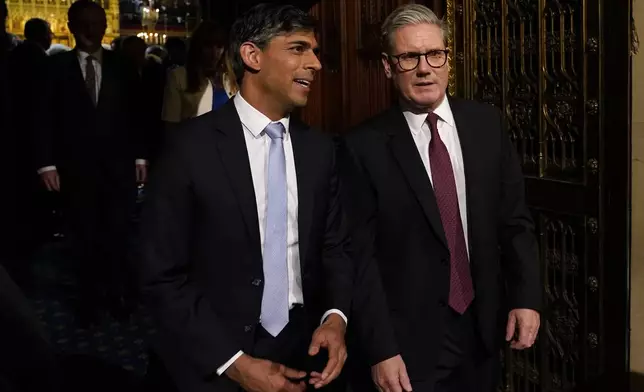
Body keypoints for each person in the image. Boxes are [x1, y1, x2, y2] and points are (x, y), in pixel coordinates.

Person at [138, 3, 352, 392]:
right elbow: (161, 275)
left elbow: (334, 247)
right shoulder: (189, 148)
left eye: (315, 51)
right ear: (252, 55)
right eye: (298, 48)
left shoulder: (321, 151)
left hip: (304, 354)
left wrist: (336, 318)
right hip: (212, 358)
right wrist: (233, 363)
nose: (316, 63)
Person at [339, 4, 542, 392]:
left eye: (435, 54)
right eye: (409, 57)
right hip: (408, 347)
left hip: (483, 329)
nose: (424, 67)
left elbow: (514, 221)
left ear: (449, 59)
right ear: (387, 66)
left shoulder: (487, 126)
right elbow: (359, 258)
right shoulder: (361, 147)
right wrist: (381, 348)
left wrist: (526, 297)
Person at [33, 0, 146, 326]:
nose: (90, 30)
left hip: (119, 170)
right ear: (70, 26)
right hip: (75, 171)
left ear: (104, 26)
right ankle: (89, 303)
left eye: (96, 23)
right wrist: (46, 164)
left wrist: (140, 155)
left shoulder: (121, 65)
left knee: (119, 235)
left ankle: (117, 296)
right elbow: (41, 118)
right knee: (82, 238)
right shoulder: (55, 68)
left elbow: (136, 114)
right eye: (83, 23)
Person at [161, 21, 237, 125]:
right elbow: (170, 124)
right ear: (198, 47)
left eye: (219, 46)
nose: (214, 53)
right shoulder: (178, 76)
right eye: (208, 46)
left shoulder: (230, 76)